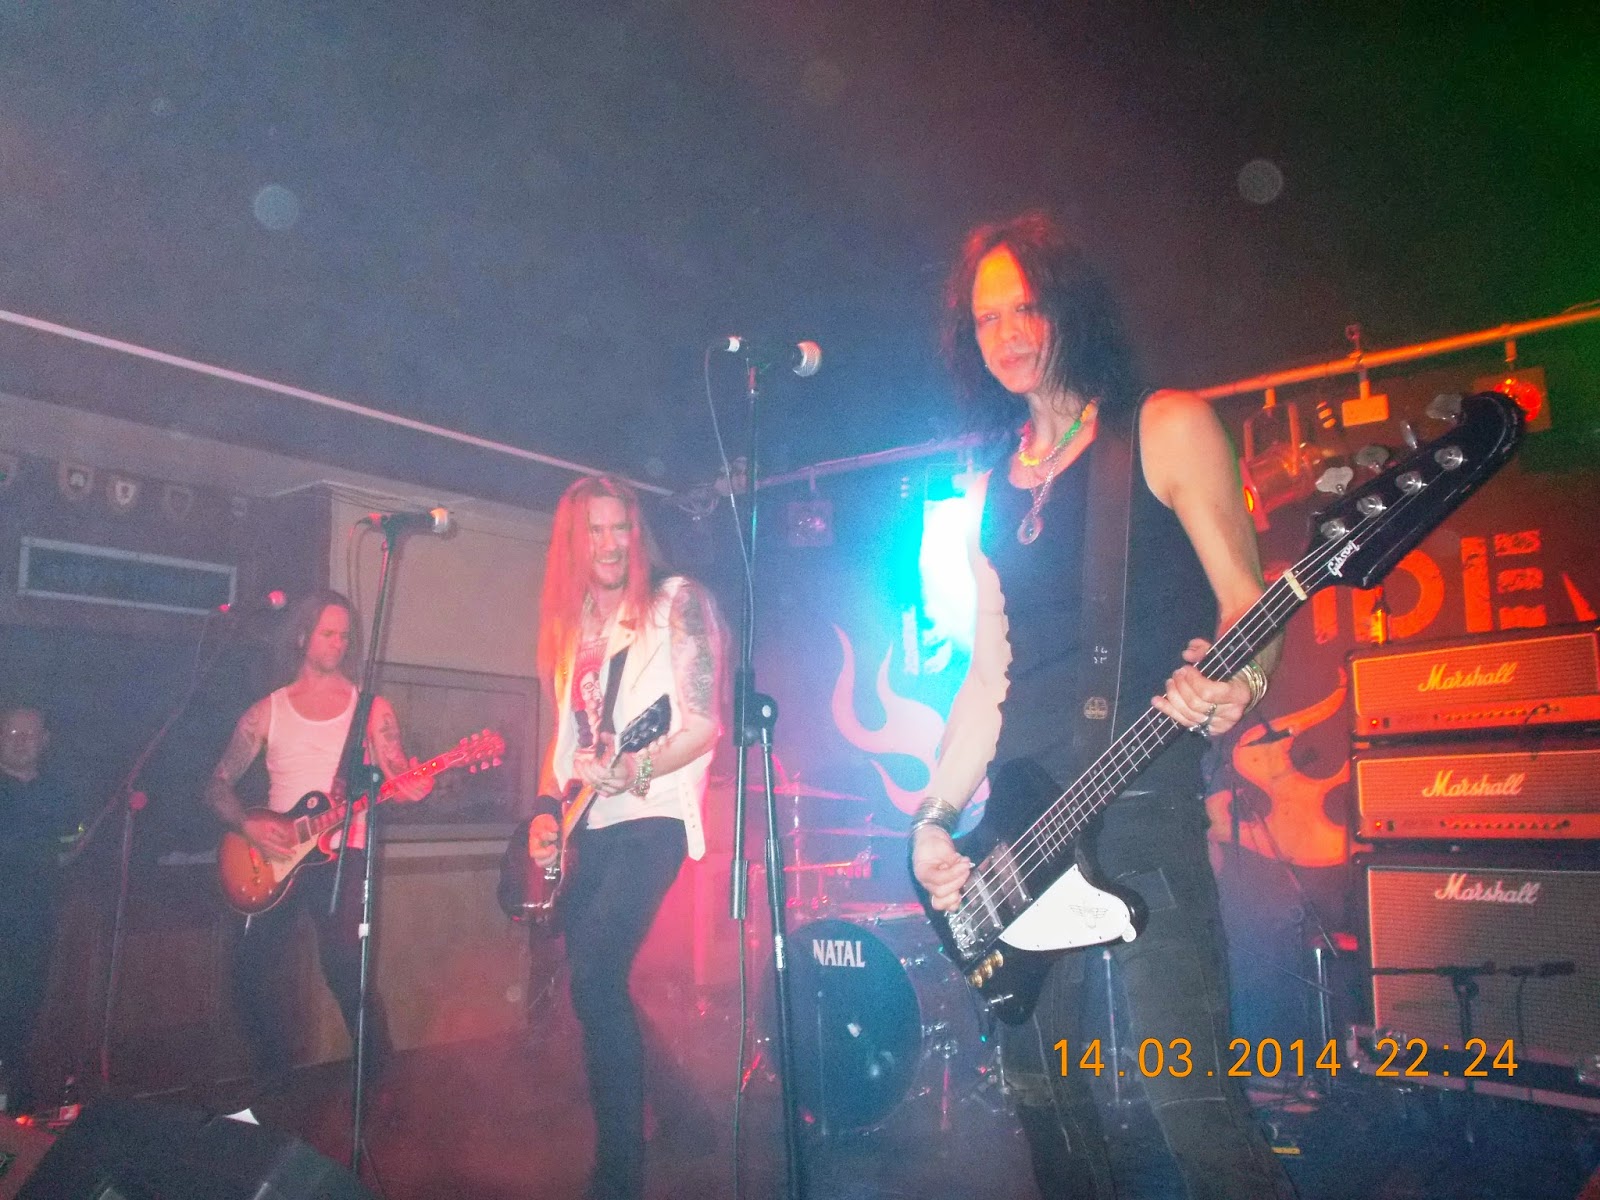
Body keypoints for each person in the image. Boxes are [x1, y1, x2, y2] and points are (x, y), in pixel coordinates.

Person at [910, 212, 1296, 1198]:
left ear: (1069, 308)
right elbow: (986, 679)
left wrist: (1241, 681)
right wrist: (934, 817)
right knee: (1042, 1098)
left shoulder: (1162, 426)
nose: (1006, 333)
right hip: (1018, 827)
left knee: (1192, 1102)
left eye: (1025, 308)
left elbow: (1249, 600)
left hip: (1138, 795)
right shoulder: (988, 490)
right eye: (986, 318)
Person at [527, 474, 723, 1200]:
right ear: (573, 543)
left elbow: (702, 725)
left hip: (655, 813)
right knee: (595, 984)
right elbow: (564, 744)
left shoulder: (676, 603)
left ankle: (617, 1177)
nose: (610, 545)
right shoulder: (571, 628)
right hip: (592, 821)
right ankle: (685, 1113)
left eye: (621, 529)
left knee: (595, 976)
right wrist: (545, 815)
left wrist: (636, 767)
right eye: (595, 531)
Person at [205, 589, 430, 1093]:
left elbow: (398, 774)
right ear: (302, 637)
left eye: (345, 636)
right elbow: (216, 786)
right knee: (246, 971)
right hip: (273, 857)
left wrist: (414, 784)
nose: (338, 643)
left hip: (343, 853)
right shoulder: (266, 711)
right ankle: (275, 1079)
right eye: (328, 633)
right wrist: (247, 826)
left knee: (348, 973)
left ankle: (376, 1087)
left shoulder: (371, 709)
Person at [0, 704, 73, 1114]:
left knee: (25, 1005)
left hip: (35, 917)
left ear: (45, 741)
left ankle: (15, 1101)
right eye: (12, 734)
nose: (21, 742)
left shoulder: (57, 792)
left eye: (29, 735)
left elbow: (71, 846)